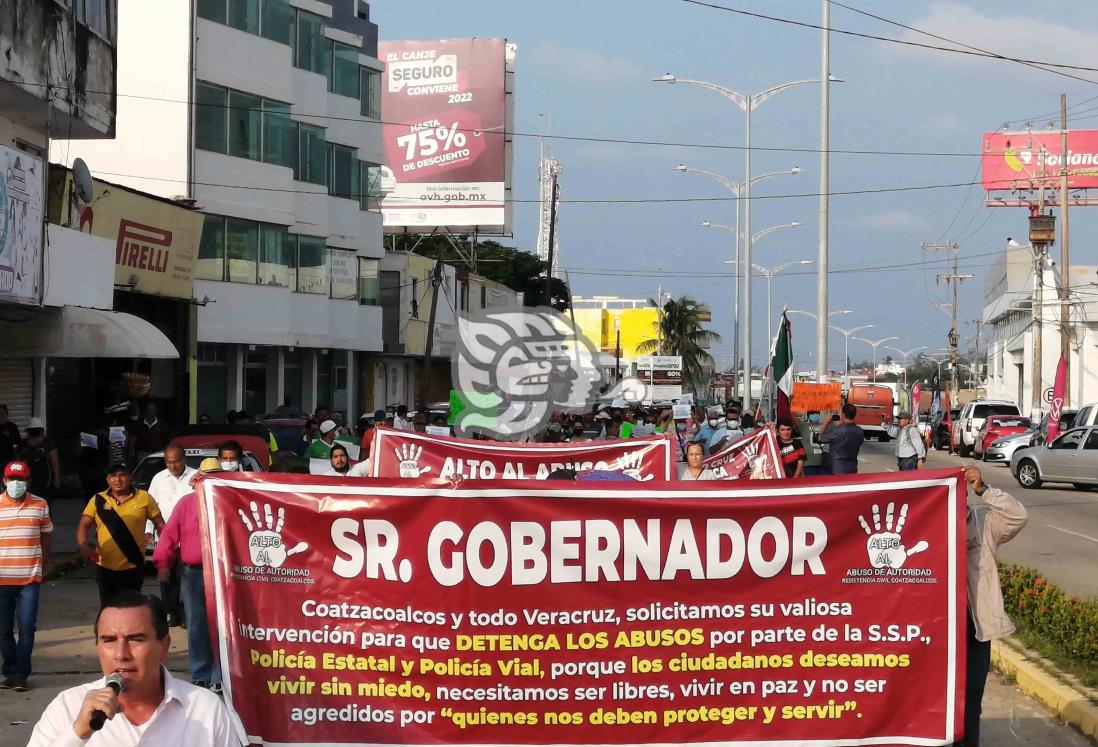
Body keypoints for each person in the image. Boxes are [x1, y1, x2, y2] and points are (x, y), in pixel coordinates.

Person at [27, 592, 237, 745]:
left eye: (136, 639)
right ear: (98, 647)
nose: (121, 654)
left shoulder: (205, 709)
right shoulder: (67, 707)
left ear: (164, 646)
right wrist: (78, 734)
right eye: (109, 640)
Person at [955, 465, 1027, 747]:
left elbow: (1018, 516)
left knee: (971, 699)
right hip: (937, 632)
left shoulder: (982, 524)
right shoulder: (926, 526)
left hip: (974, 628)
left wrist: (983, 489)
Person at [153, 458, 224, 691]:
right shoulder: (186, 504)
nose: (211, 480)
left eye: (216, 475)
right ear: (197, 480)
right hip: (194, 573)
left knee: (223, 625)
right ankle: (201, 673)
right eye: (207, 476)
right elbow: (169, 536)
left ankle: (220, 675)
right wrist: (163, 563)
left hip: (223, 574)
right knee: (196, 624)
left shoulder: (229, 503)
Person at [77, 463, 164, 605]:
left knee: (131, 609)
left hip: (133, 565)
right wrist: (84, 546)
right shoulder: (98, 500)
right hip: (105, 567)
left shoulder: (144, 498)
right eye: (113, 476)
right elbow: (83, 524)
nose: (118, 480)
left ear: (130, 478)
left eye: (122, 475)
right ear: (107, 479)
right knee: (108, 610)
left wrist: (163, 550)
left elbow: (160, 524)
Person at [0, 461, 52, 691]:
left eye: (21, 480)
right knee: (3, 630)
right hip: (2, 580)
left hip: (29, 580)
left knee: (27, 627)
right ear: (4, 480)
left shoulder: (40, 504)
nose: (16, 484)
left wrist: (44, 564)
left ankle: (21, 674)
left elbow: (46, 536)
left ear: (28, 481)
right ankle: (10, 670)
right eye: (12, 479)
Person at [146, 445, 196, 628]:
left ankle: (185, 615)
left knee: (187, 580)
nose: (173, 466)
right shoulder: (159, 479)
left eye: (176, 461)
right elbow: (150, 508)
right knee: (167, 579)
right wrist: (148, 531)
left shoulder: (196, 477)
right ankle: (172, 613)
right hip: (165, 539)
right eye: (168, 462)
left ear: (184, 459)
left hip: (189, 540)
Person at [18, 418, 60, 502]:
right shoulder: (23, 443)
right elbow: (18, 462)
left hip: (45, 478)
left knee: (45, 502)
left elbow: (54, 461)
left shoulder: (47, 442)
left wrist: (56, 478)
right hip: (27, 478)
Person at [817, 404, 865, 475]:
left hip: (838, 468)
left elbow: (820, 438)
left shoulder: (839, 430)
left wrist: (826, 422)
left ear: (843, 414)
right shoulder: (860, 431)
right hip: (852, 468)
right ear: (854, 415)